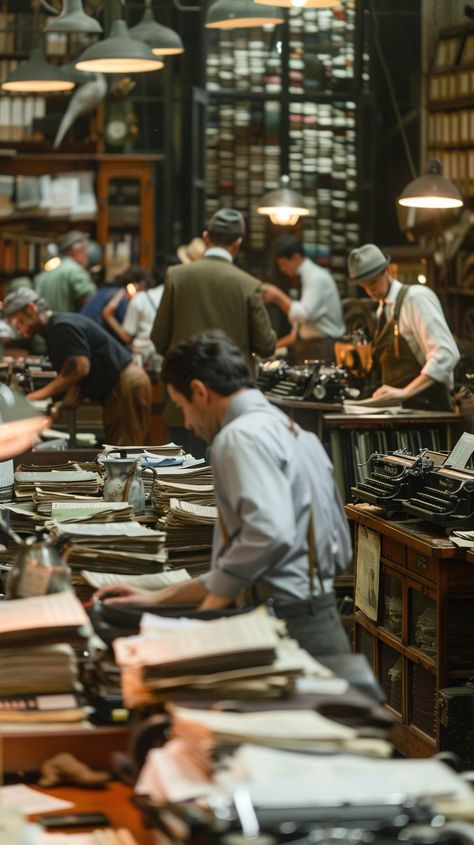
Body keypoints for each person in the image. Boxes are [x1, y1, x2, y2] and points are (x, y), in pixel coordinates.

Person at [95, 331, 352, 659]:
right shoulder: (296, 434)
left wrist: (209, 613)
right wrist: (152, 597)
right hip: (322, 619)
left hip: (284, 628)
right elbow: (339, 550)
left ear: (199, 392)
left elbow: (266, 534)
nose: (187, 423)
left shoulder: (237, 438)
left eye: (181, 407)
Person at [151, 209, 276, 458]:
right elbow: (266, 346)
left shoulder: (177, 276)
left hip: (185, 401)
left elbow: (158, 338)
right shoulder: (248, 285)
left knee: (182, 483)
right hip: (231, 404)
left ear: (206, 238)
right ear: (238, 243)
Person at [3, 288, 151, 446]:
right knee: (118, 446)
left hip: (125, 383)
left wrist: (33, 398)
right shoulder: (55, 330)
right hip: (120, 385)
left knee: (125, 449)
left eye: (19, 322)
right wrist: (58, 409)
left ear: (31, 309)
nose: (19, 329)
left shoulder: (61, 326)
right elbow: (76, 380)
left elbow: (79, 368)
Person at [348, 243, 460, 410]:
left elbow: (446, 354)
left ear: (388, 271)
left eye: (373, 282)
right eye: (364, 285)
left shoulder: (415, 298)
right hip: (400, 409)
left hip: (428, 407)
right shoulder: (382, 310)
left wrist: (406, 392)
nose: (370, 289)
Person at [262, 236, 345, 364]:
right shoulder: (304, 278)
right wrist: (273, 347)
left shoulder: (317, 277)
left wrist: (276, 296)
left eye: (283, 264)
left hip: (322, 348)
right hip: (308, 347)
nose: (282, 269)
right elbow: (298, 332)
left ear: (295, 258)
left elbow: (302, 314)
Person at [102, 267, 163, 361]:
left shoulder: (138, 299)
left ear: (136, 285)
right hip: (162, 351)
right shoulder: (162, 292)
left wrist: (108, 316)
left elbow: (127, 337)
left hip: (144, 355)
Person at [34, 230, 97, 313]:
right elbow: (92, 304)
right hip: (68, 324)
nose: (87, 255)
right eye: (85, 250)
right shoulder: (75, 271)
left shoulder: (42, 276)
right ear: (76, 250)